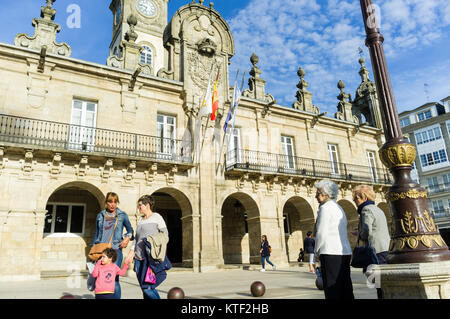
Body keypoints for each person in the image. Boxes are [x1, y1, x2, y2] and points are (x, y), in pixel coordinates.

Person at [314, 179, 354, 300]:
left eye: (318, 193)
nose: (316, 196)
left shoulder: (325, 208)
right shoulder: (339, 207)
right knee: (345, 287)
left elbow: (321, 232)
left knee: (332, 288)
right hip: (344, 252)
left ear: (326, 194)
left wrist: (316, 251)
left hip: (330, 252)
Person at [91, 192, 134, 299]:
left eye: (115, 202)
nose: (112, 204)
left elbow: (131, 231)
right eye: (110, 201)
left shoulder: (122, 215)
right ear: (106, 202)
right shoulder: (100, 216)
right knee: (100, 278)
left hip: (115, 251)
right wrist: (92, 251)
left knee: (114, 278)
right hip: (101, 251)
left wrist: (127, 238)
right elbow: (96, 234)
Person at [352, 185, 390, 299]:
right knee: (383, 284)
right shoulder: (378, 209)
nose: (354, 200)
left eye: (356, 198)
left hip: (375, 252)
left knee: (378, 284)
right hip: (384, 249)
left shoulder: (366, 209)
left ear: (364, 198)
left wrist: (359, 234)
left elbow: (366, 232)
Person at [131, 194, 169, 299]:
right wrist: (131, 253)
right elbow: (136, 238)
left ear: (147, 205)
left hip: (150, 259)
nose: (138, 208)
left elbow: (165, 235)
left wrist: (151, 240)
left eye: (140, 205)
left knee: (147, 287)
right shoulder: (140, 220)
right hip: (138, 258)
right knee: (144, 290)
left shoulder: (157, 217)